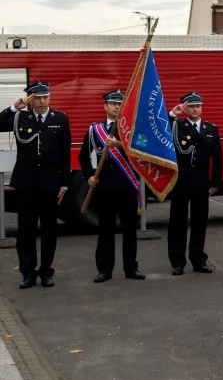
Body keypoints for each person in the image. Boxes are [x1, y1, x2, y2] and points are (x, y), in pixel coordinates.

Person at [0, 81, 71, 289]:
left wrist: (65, 184)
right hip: (27, 185)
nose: (42, 102)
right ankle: (28, 273)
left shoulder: (60, 119)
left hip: (50, 185)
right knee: (26, 232)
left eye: (46, 97)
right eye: (38, 98)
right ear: (30, 99)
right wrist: (15, 106)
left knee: (49, 231)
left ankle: (47, 272)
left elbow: (65, 154)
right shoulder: (19, 117)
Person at [80, 89, 145, 283]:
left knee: (129, 231)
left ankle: (131, 268)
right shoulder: (95, 130)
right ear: (105, 106)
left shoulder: (131, 129)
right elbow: (83, 156)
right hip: (105, 189)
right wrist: (90, 175)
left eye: (119, 104)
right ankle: (104, 269)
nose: (116, 107)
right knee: (105, 230)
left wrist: (119, 144)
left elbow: (141, 151)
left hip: (127, 187)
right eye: (113, 104)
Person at [167, 91, 223, 276]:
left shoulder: (210, 128)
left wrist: (215, 181)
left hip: (201, 183)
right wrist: (172, 114)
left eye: (198, 106)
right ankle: (177, 262)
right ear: (185, 108)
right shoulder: (177, 125)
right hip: (181, 182)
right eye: (191, 106)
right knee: (178, 223)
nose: (195, 109)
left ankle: (198, 260)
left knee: (200, 223)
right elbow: (161, 131)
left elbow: (217, 157)